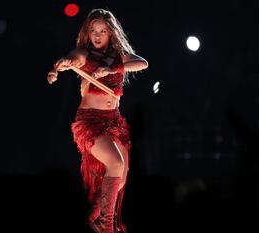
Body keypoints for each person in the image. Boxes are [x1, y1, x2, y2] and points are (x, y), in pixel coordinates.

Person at [47, 8, 148, 233]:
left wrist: (112, 68)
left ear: (111, 33)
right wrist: (62, 64)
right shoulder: (85, 54)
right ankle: (105, 225)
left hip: (114, 121)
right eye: (93, 31)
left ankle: (91, 217)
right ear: (87, 33)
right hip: (90, 121)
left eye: (102, 31)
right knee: (116, 164)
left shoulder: (117, 55)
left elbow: (142, 63)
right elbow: (72, 59)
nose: (97, 35)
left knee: (120, 178)